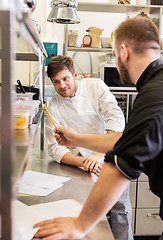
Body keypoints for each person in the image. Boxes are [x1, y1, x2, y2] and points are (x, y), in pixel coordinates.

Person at [34, 16, 163, 240]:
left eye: (114, 55)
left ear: (123, 51)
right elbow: (127, 140)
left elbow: (122, 162)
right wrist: (77, 139)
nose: (115, 62)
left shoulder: (159, 91)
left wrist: (79, 224)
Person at [44, 55, 133, 240]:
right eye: (56, 82)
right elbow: (54, 148)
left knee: (120, 212)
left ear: (75, 74)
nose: (62, 85)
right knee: (89, 216)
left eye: (65, 78)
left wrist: (101, 155)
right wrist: (84, 163)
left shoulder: (96, 86)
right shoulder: (53, 106)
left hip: (112, 158)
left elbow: (115, 119)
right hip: (84, 166)